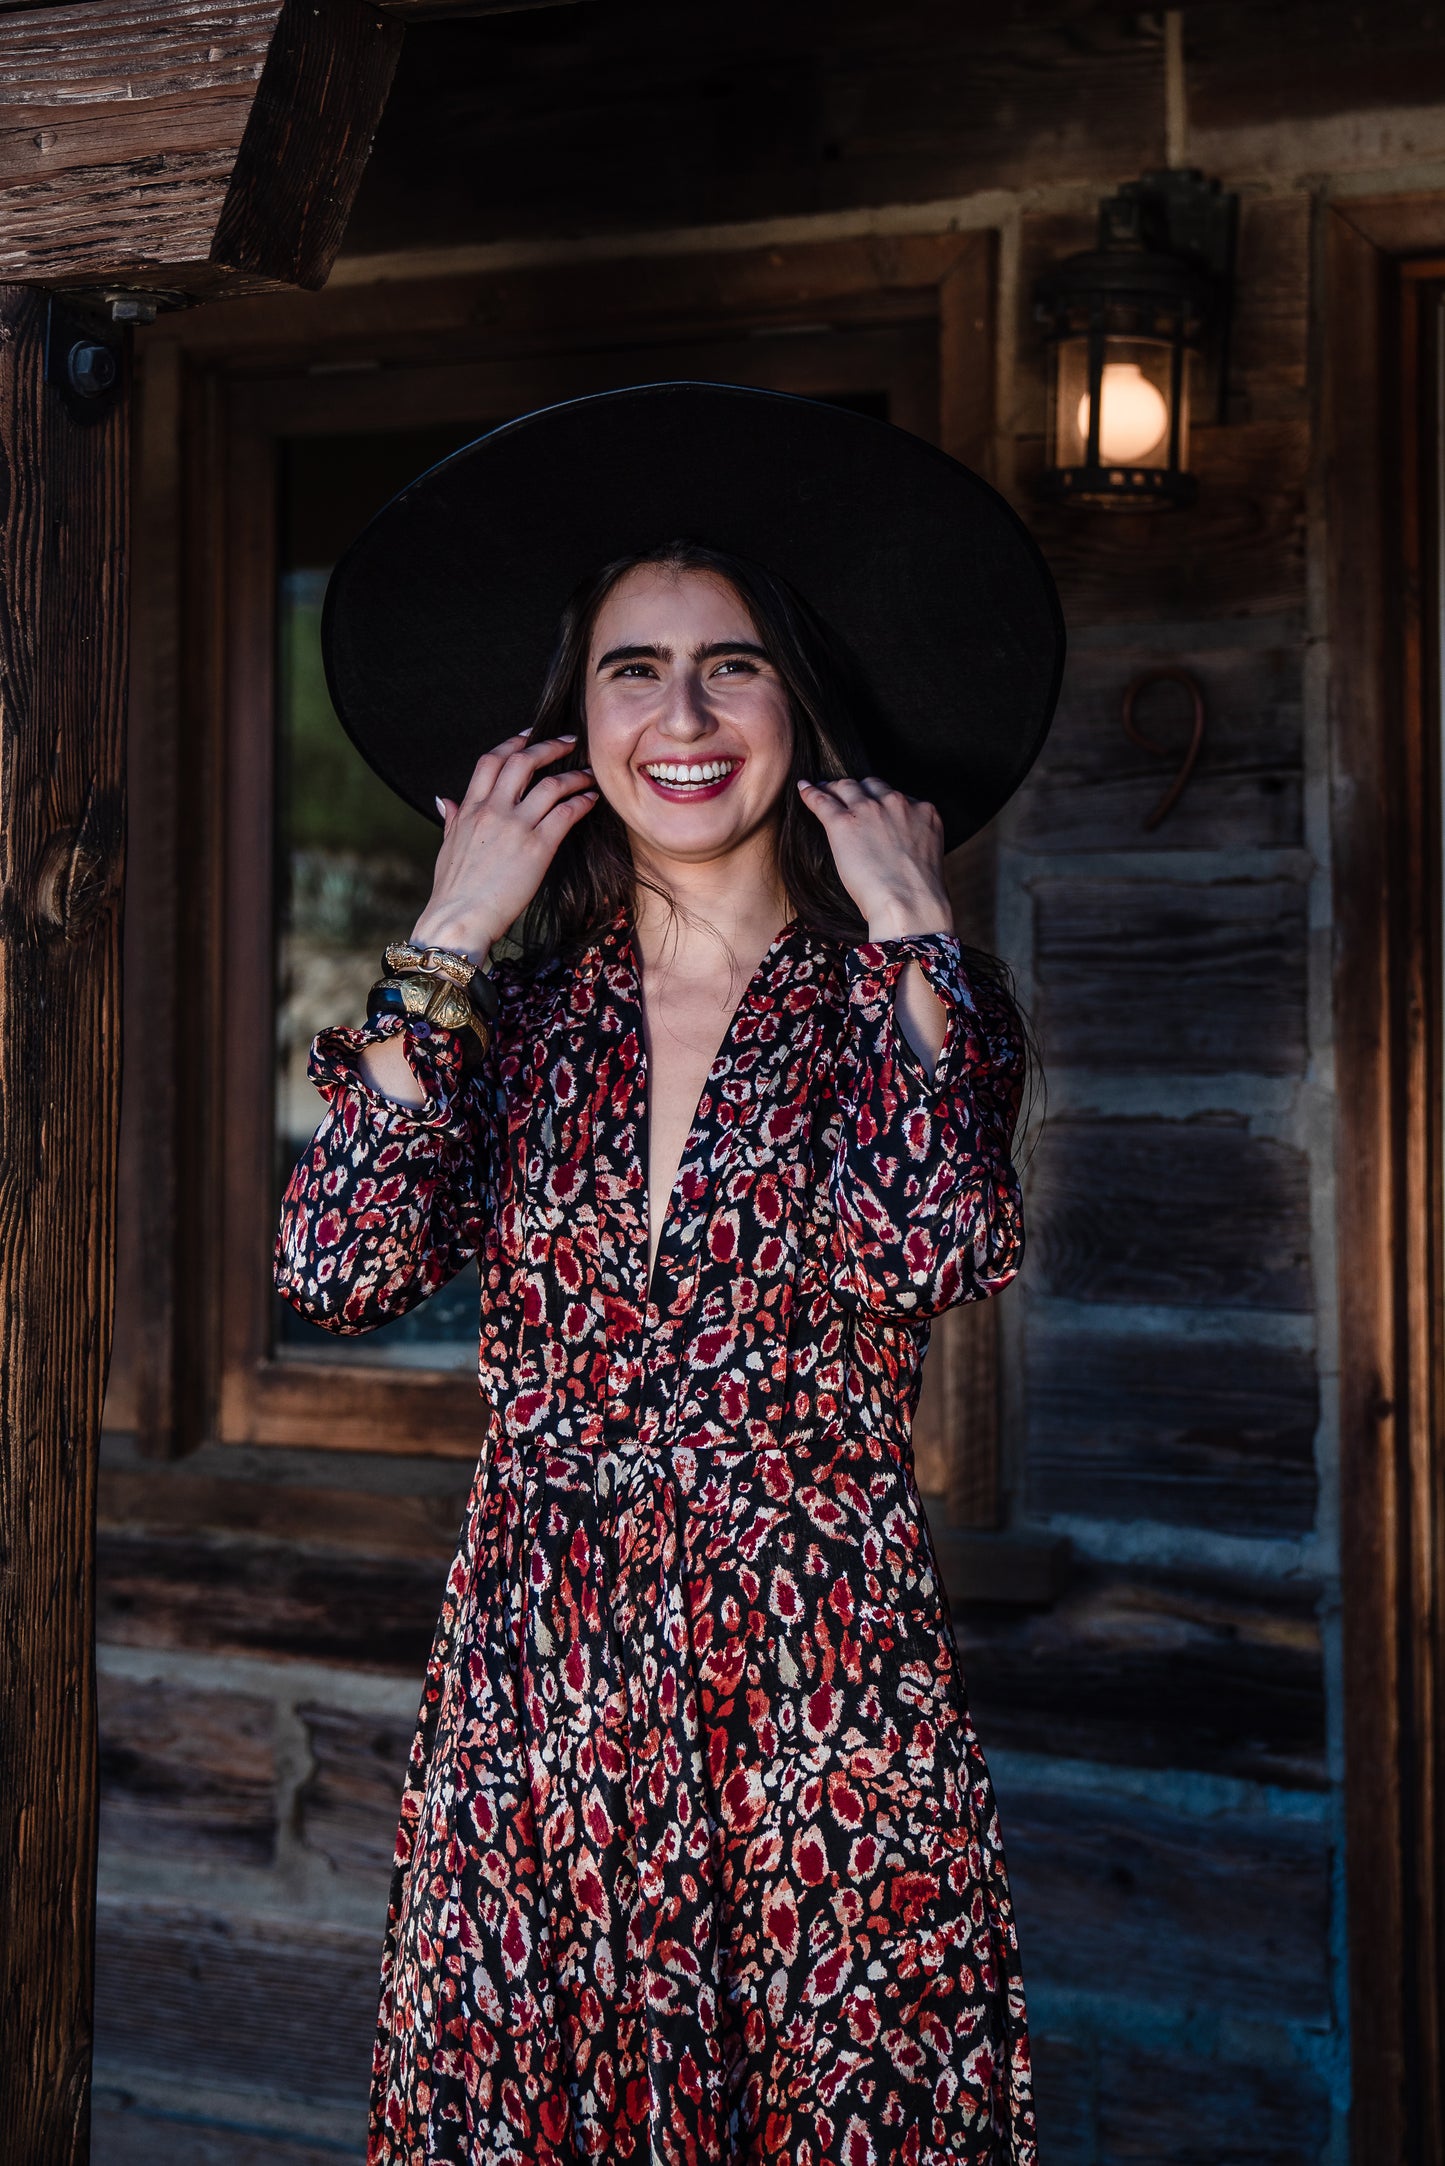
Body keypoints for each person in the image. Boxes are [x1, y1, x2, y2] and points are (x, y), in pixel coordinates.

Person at [277, 385, 1063, 2166]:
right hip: (536, 1698)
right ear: (569, 727)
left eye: (731, 666)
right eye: (634, 669)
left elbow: (934, 1241)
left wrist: (918, 930)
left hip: (818, 1696)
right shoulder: (518, 1020)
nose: (682, 714)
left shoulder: (904, 1004)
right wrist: (453, 926)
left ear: (799, 705)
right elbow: (331, 1263)